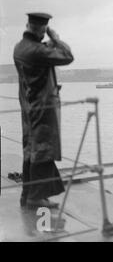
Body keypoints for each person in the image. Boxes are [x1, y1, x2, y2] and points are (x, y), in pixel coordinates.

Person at [13, 12, 74, 209]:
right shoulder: (38, 51)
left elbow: (40, 52)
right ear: (42, 29)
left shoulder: (20, 47)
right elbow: (67, 56)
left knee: (31, 150)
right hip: (43, 108)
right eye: (44, 30)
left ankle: (29, 195)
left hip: (28, 106)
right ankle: (35, 199)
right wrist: (56, 39)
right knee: (42, 150)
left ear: (27, 25)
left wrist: (46, 42)